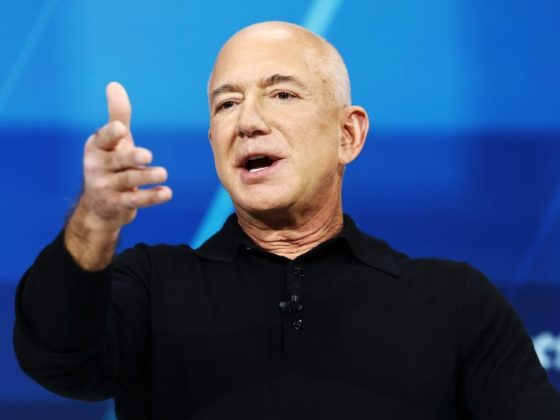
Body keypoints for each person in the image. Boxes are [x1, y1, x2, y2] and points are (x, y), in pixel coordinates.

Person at [14, 21, 560, 420]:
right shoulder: (153, 285)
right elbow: (58, 360)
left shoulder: (454, 300)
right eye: (227, 104)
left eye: (281, 93)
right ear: (213, 142)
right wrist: (96, 219)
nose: (248, 121)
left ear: (348, 134)